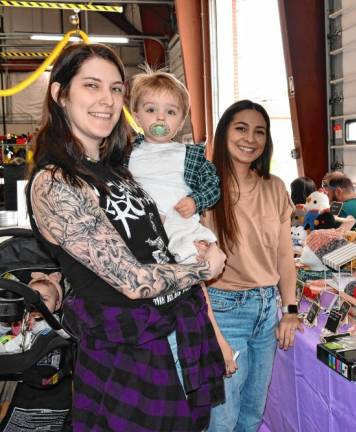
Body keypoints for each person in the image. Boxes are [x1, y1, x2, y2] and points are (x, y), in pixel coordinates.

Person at [27, 43, 227, 431]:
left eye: (116, 88)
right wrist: (203, 267)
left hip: (176, 331)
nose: (107, 100)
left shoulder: (115, 168)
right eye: (92, 86)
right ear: (60, 93)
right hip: (125, 349)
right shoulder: (55, 181)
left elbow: (155, 239)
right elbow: (133, 281)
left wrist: (200, 241)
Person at [204, 100, 302, 431]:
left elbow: (284, 257)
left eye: (259, 131)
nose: (250, 138)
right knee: (223, 419)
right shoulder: (205, 188)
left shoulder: (274, 187)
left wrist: (290, 309)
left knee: (252, 414)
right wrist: (214, 332)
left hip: (265, 311)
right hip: (223, 309)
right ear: (224, 133)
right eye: (241, 128)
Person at [128, 68, 219, 263]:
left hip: (179, 219)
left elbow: (212, 184)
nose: (160, 118)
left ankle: (191, 255)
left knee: (194, 247)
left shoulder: (190, 155)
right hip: (142, 225)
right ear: (137, 117)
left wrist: (196, 200)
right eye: (151, 110)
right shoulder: (126, 154)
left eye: (170, 112)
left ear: (180, 122)